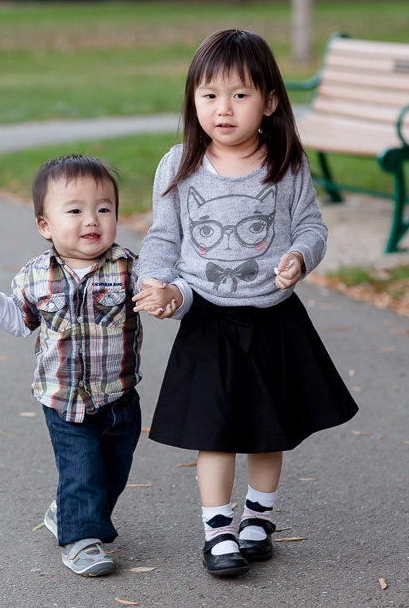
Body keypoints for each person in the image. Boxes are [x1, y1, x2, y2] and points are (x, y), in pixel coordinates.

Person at [132, 29, 358, 577]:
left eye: (240, 95)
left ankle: (258, 517)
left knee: (264, 426)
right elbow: (163, 237)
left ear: (270, 101)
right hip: (206, 316)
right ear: (193, 100)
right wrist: (157, 283)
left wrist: (301, 257)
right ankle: (217, 531)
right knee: (215, 430)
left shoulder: (285, 162)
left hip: (272, 318)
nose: (223, 109)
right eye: (209, 95)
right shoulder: (180, 165)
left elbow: (311, 226)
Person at [0, 155, 146, 577]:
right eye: (76, 210)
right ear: (45, 225)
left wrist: (166, 297)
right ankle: (80, 542)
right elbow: (20, 321)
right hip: (63, 400)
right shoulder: (35, 277)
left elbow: (158, 299)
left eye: (104, 209)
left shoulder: (128, 268)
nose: (92, 220)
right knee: (82, 469)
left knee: (112, 473)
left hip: (119, 396)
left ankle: (67, 511)